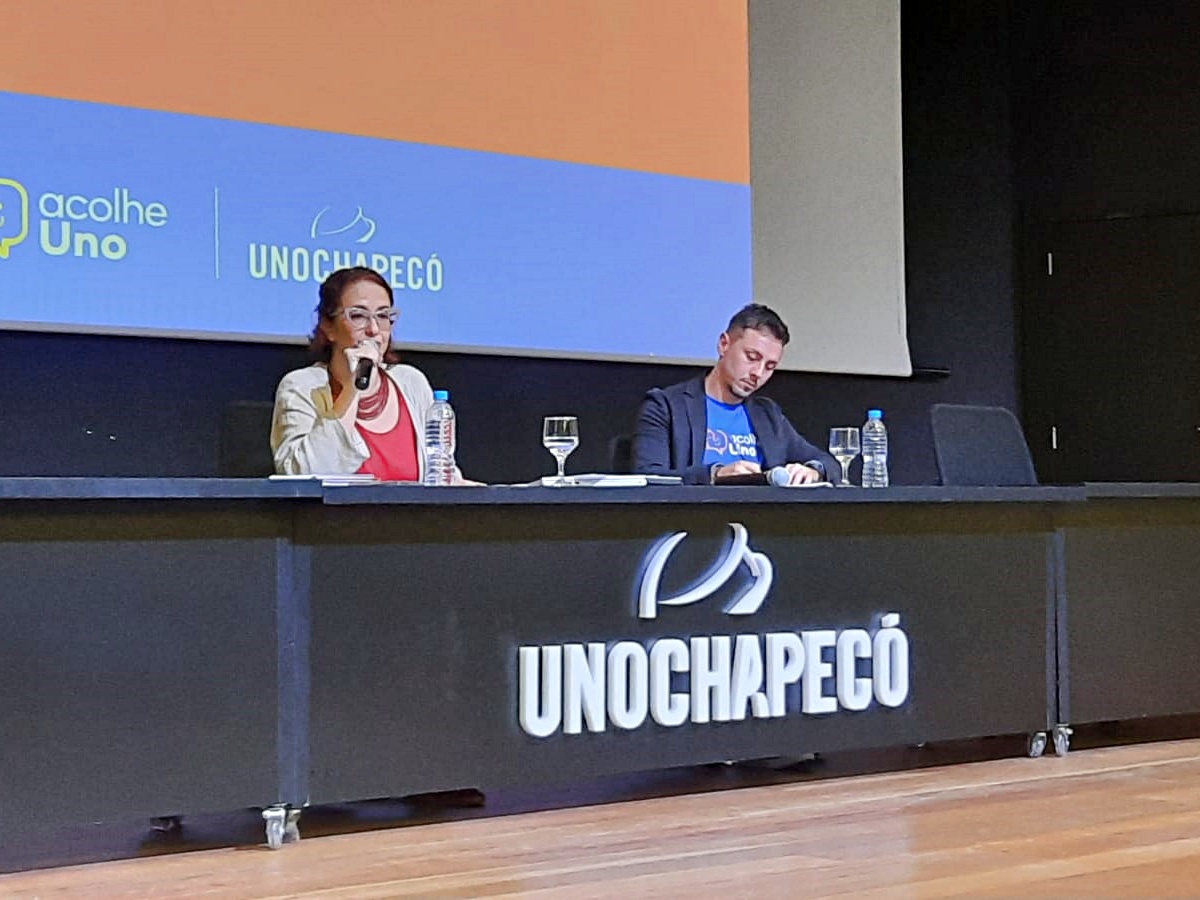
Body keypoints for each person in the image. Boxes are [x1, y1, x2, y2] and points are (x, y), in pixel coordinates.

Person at [272, 266, 462, 481]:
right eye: (358, 316)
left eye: (383, 315)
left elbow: (444, 477)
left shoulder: (411, 382)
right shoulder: (301, 387)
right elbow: (302, 476)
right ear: (328, 326)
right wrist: (352, 388)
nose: (374, 329)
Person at [632, 303, 837, 485]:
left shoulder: (767, 415)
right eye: (752, 357)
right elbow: (649, 477)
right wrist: (715, 475)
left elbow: (828, 463)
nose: (758, 373)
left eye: (770, 366)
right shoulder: (666, 406)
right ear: (724, 344)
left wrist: (814, 470)